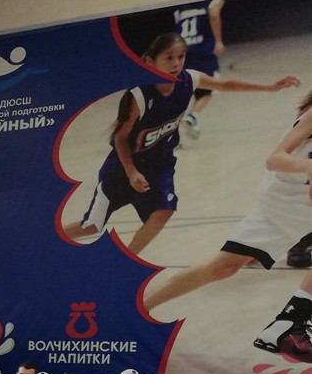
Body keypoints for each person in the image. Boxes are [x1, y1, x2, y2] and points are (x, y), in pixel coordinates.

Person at [63, 33, 298, 257]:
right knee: (91, 226)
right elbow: (121, 138)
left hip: (159, 164)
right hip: (122, 168)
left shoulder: (189, 79)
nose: (176, 63)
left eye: (181, 56)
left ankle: (124, 259)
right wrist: (131, 171)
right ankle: (49, 237)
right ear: (150, 61)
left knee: (163, 211)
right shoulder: (139, 95)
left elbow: (225, 83)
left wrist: (269, 87)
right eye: (169, 58)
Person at [141, 89, 311, 362]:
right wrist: (307, 166)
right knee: (222, 267)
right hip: (284, 200)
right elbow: (275, 159)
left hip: (302, 205)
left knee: (225, 268)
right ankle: (136, 309)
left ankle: (288, 325)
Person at [174, 0, 225, 142]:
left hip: (182, 53)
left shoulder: (181, 5)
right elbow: (214, 14)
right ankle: (192, 116)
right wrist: (218, 41)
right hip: (202, 52)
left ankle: (175, 130)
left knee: (184, 91)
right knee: (209, 88)